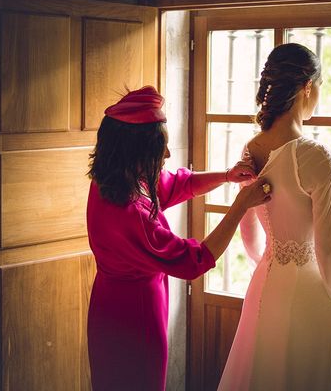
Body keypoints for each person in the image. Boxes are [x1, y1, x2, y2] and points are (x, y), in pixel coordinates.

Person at [86, 86, 272, 391]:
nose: (168, 155)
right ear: (136, 150)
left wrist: (226, 175)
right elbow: (193, 261)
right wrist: (240, 206)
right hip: (136, 315)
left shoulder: (115, 179)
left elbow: (178, 184)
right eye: (162, 148)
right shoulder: (129, 212)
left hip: (109, 306)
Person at [218, 43, 331, 391]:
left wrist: (271, 262)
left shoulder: (251, 148)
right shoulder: (316, 156)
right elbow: (330, 246)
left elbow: (250, 232)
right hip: (309, 296)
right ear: (307, 87)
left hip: (265, 286)